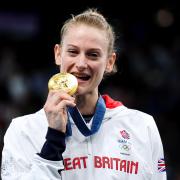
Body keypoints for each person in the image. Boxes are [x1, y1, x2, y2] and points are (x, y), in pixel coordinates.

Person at [1, 8, 167, 180]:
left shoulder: (142, 126)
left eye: (93, 55)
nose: (81, 63)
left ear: (110, 62)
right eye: (73, 52)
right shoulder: (23, 130)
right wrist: (54, 138)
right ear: (58, 54)